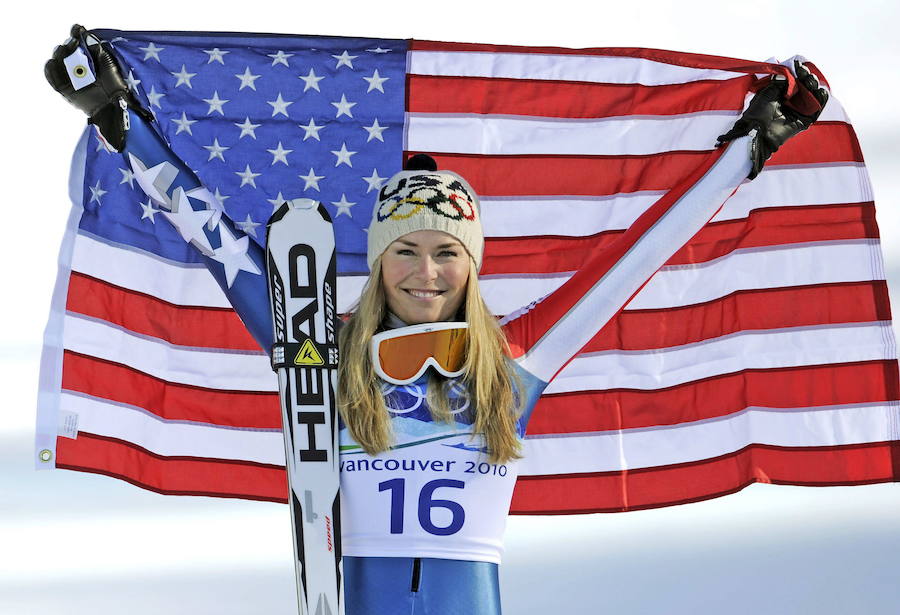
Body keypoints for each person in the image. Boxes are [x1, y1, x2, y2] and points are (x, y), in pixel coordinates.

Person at [45, 25, 828, 615]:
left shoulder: (516, 362)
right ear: (379, 259)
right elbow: (218, 241)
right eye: (406, 251)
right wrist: (119, 119)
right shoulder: (320, 352)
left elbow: (636, 258)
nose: (427, 272)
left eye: (448, 253)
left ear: (473, 264)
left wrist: (753, 144)